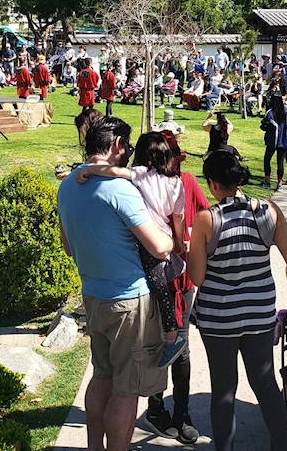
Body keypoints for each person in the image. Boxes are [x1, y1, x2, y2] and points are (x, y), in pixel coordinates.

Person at [57, 116, 173, 451]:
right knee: (128, 390)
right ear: (118, 145)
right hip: (130, 302)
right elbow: (159, 246)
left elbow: (68, 247)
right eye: (128, 148)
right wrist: (169, 234)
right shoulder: (118, 188)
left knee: (102, 375)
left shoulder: (68, 184)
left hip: (93, 296)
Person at [187, 149, 287, 451]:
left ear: (212, 184)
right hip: (259, 313)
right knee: (265, 385)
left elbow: (197, 278)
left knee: (223, 390)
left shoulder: (207, 220)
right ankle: (283, 446)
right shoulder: (268, 211)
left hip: (218, 318)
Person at [76, 132, 189, 368]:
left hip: (147, 239)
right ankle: (166, 331)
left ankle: (171, 337)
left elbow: (113, 171)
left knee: (156, 286)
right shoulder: (176, 183)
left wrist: (86, 169)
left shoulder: (140, 174)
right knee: (160, 286)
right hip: (165, 237)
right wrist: (178, 242)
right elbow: (178, 217)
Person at [144, 130, 207, 443]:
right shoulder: (141, 188)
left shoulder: (189, 182)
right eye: (173, 160)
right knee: (156, 346)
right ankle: (155, 406)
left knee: (180, 349)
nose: (178, 167)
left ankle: (182, 411)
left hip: (184, 282)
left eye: (179, 160)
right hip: (154, 282)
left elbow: (207, 215)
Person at [260, 93, 287, 190]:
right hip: (284, 141)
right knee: (280, 162)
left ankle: (267, 181)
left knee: (267, 160)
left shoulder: (270, 112)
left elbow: (264, 125)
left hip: (272, 141)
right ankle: (279, 184)